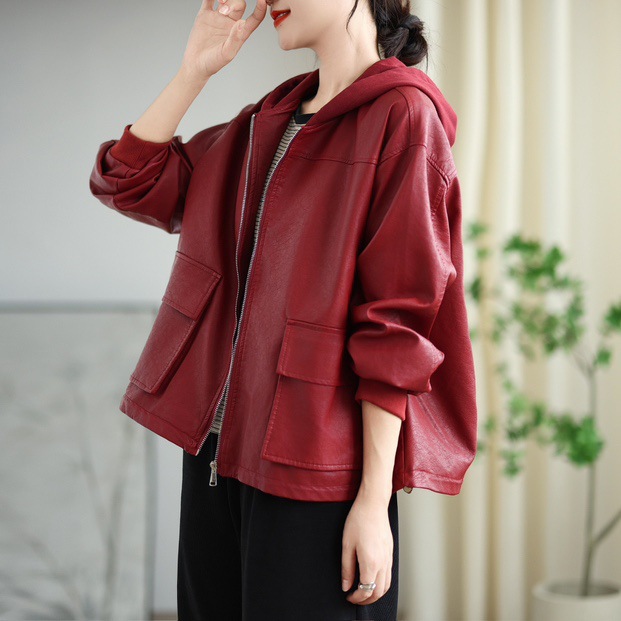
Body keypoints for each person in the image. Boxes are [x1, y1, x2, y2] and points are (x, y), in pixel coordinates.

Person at [89, 0, 478, 619]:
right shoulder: (265, 121)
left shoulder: (404, 116)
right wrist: (194, 70)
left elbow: (397, 325)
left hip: (313, 470)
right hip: (214, 457)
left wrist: (372, 501)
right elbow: (128, 180)